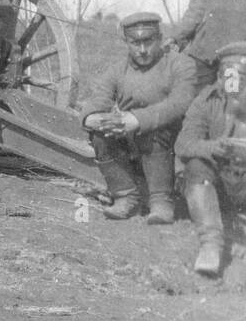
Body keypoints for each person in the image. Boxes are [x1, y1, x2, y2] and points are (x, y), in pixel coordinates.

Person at [175, 42, 246, 276]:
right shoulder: (207, 99)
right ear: (221, 76)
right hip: (218, 184)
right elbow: (183, 143)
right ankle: (211, 245)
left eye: (243, 77)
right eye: (228, 76)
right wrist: (215, 148)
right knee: (195, 164)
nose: (234, 84)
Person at [80, 12, 197, 223]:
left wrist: (136, 120)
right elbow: (96, 102)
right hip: (132, 143)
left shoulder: (180, 64)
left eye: (148, 41)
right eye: (135, 43)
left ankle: (161, 201)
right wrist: (98, 120)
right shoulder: (118, 70)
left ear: (160, 38)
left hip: (171, 144)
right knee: (100, 134)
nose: (142, 50)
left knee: (153, 130)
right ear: (126, 42)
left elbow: (181, 102)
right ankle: (126, 195)